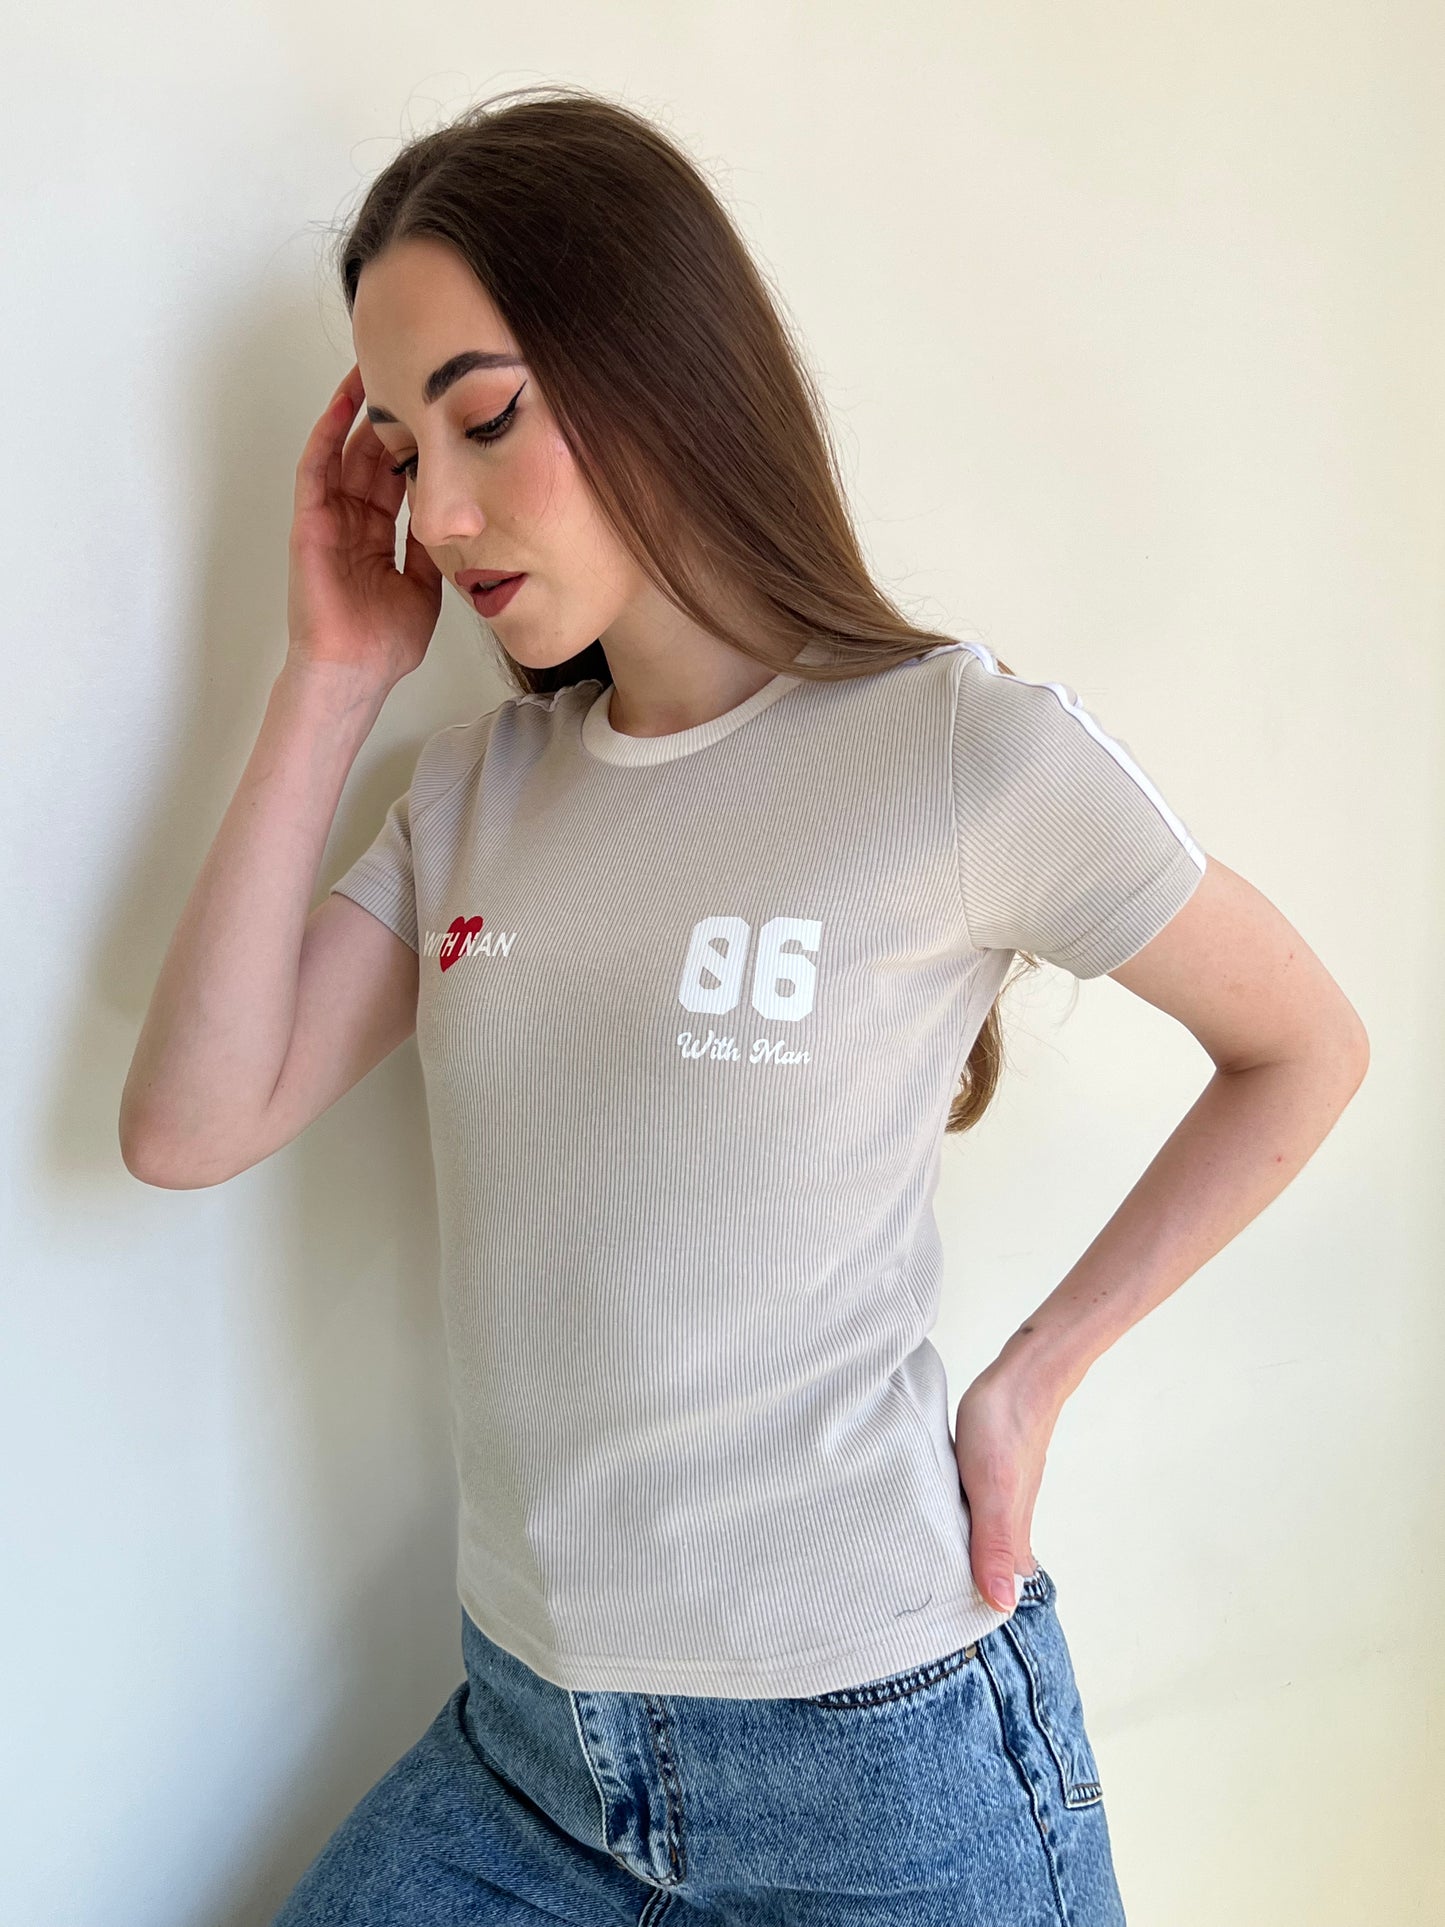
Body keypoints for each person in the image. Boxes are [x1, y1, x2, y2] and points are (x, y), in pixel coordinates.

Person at [119, 84, 1369, 1927]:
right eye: (401, 449)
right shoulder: (471, 793)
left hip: (878, 1772)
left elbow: (1303, 1047)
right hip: (530, 1757)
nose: (440, 515)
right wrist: (331, 677)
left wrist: (1030, 1381)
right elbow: (189, 1124)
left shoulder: (959, 753)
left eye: (484, 416)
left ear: (653, 364)